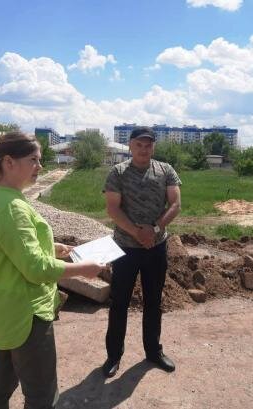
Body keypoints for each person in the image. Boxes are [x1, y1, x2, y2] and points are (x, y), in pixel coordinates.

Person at [0, 131, 102, 409]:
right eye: (33, 160)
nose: (40, 166)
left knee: (0, 384)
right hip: (25, 314)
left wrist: (50, 247)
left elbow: (10, 248)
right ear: (9, 162)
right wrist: (83, 269)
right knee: (42, 396)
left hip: (4, 313)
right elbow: (35, 268)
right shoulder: (12, 207)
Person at [101, 126, 182, 378]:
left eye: (148, 145)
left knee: (154, 302)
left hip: (156, 248)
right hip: (125, 248)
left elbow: (175, 204)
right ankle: (113, 356)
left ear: (153, 147)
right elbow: (113, 209)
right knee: (119, 303)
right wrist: (138, 233)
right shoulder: (118, 172)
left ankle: (153, 352)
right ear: (130, 145)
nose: (144, 149)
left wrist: (154, 229)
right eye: (139, 144)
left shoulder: (165, 170)